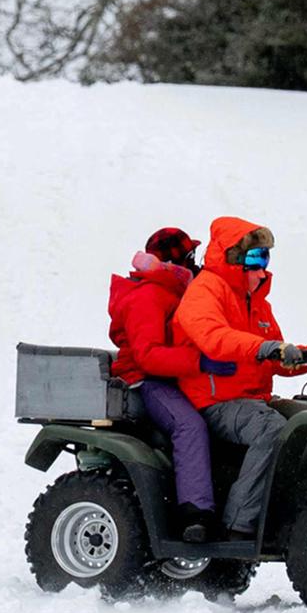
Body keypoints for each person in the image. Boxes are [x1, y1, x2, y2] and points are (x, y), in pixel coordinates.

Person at [172, 217, 307, 538]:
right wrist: (265, 347)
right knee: (271, 429)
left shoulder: (258, 305)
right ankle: (238, 525)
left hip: (253, 399)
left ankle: (304, 512)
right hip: (214, 402)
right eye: (255, 258)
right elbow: (215, 338)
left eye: (266, 258)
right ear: (233, 258)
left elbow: (279, 360)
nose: (263, 269)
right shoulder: (205, 292)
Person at [107, 227, 219, 542]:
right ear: (172, 261)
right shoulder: (148, 295)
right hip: (145, 382)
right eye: (190, 258)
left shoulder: (175, 292)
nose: (196, 265)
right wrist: (199, 362)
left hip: (172, 377)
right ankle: (195, 514)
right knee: (190, 426)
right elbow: (148, 356)